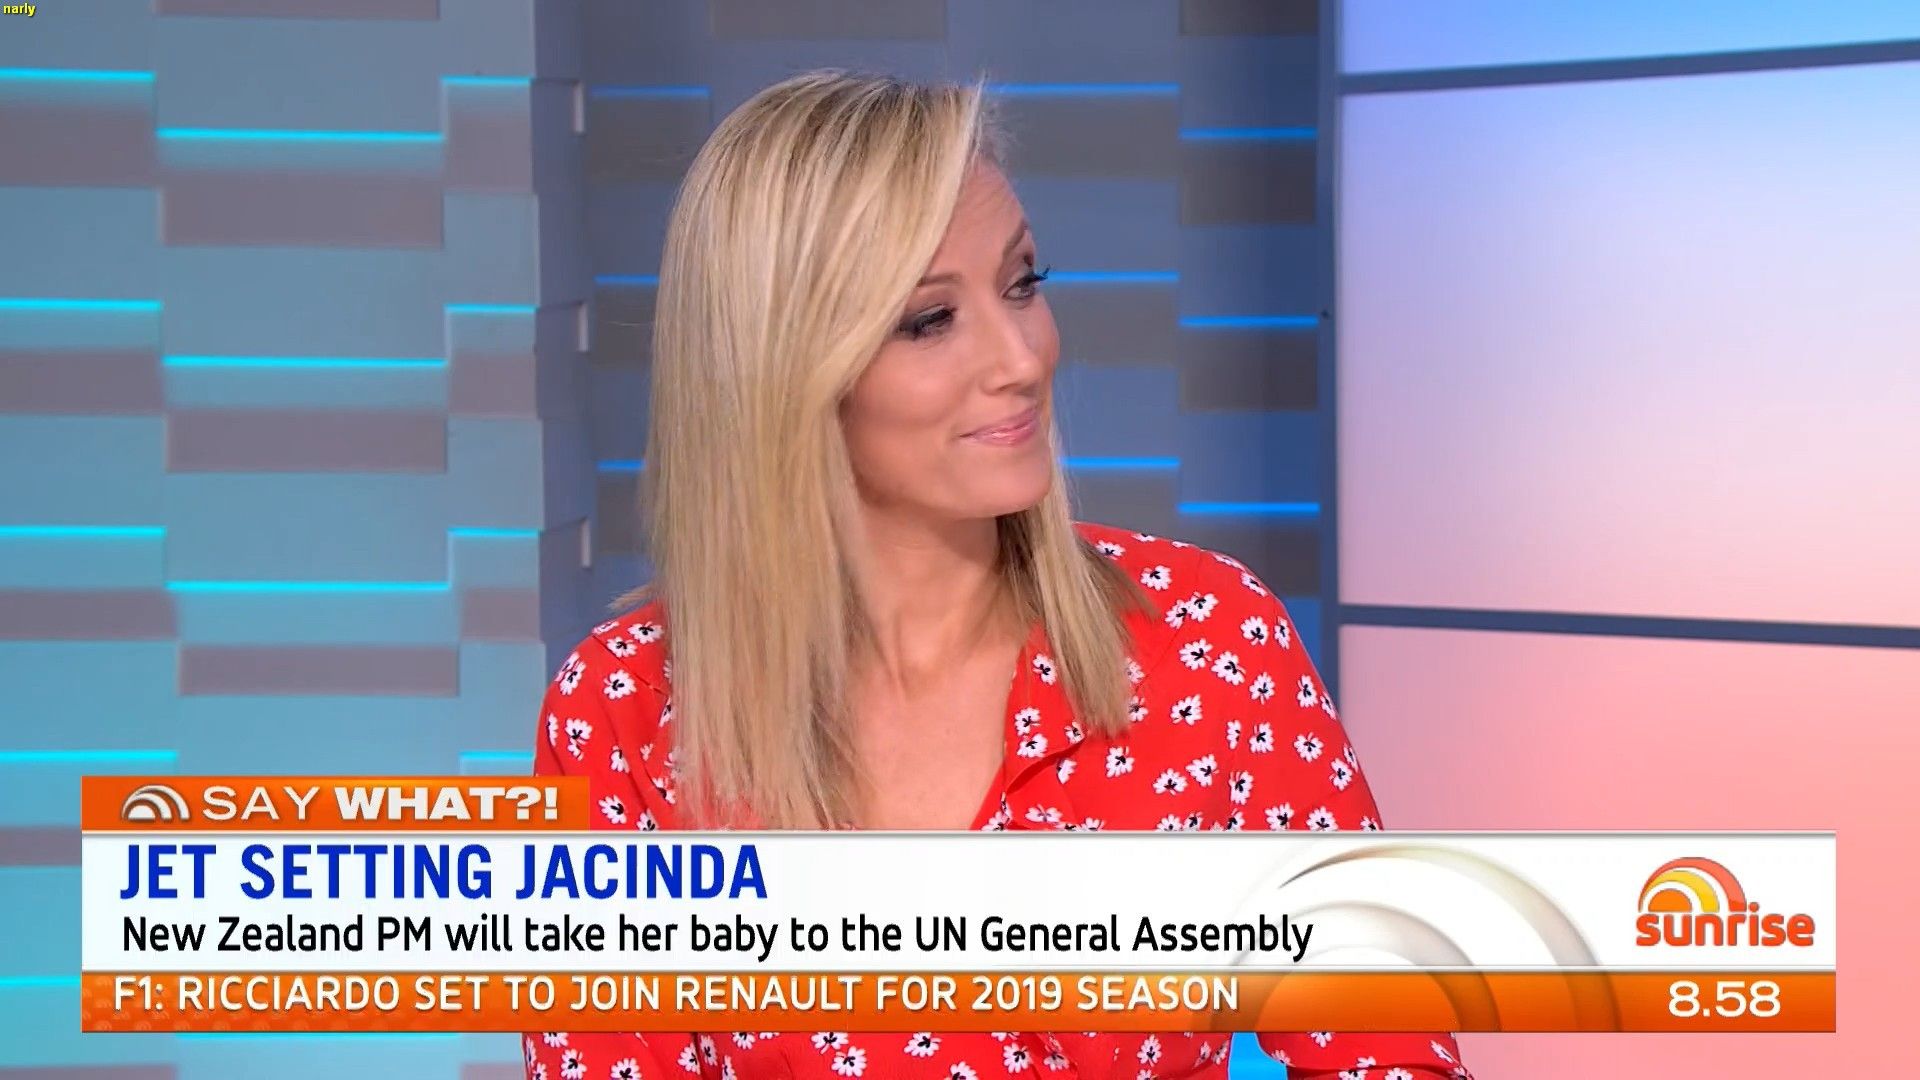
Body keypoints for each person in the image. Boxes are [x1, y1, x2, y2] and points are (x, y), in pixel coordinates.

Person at [526, 70, 1472, 1080]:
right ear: (785, 370)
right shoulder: (622, 711)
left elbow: (1390, 1053)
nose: (1022, 356)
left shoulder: (1209, 638)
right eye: (931, 319)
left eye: (1021, 282)